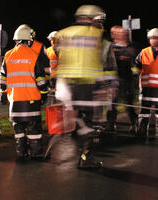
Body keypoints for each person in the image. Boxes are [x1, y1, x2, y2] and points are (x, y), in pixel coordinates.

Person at [55, 5, 109, 169]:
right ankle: (86, 158)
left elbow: (59, 55)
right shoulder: (98, 34)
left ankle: (81, 141)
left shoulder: (62, 33)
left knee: (77, 119)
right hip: (89, 85)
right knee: (92, 123)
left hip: (67, 84)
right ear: (92, 19)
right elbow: (103, 57)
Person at [0, 25, 48, 159]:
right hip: (31, 99)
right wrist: (44, 94)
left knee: (18, 129)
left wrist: (2, 92)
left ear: (16, 40)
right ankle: (36, 154)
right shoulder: (33, 55)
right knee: (34, 130)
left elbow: (2, 77)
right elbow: (40, 79)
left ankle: (21, 153)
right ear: (29, 40)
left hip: (14, 100)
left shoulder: (8, 55)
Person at [105, 26, 138, 133]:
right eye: (117, 33)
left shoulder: (132, 46)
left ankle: (134, 123)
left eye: (123, 33)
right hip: (113, 79)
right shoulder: (109, 47)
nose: (121, 34)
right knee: (112, 102)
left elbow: (135, 61)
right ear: (112, 34)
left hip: (127, 78)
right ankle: (110, 124)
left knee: (129, 101)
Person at [135, 28, 158, 142]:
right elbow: (136, 65)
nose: (152, 40)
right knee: (144, 111)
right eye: (150, 38)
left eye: (154, 38)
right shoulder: (144, 52)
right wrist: (135, 71)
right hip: (146, 87)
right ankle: (142, 129)